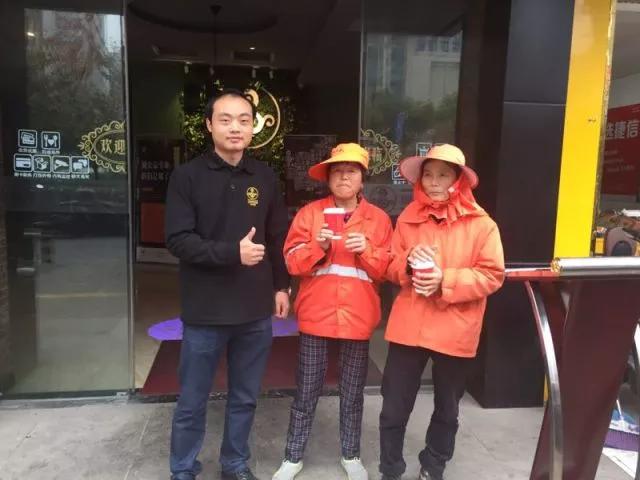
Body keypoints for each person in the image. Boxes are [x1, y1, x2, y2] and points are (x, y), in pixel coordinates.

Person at [165, 89, 291, 480]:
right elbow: (178, 240)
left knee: (245, 397)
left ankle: (234, 464)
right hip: (205, 310)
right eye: (225, 119)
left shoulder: (264, 177)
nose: (235, 127)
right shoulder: (187, 177)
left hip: (254, 310)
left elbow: (277, 237)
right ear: (209, 125)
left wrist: (282, 286)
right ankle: (183, 468)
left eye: (243, 120)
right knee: (192, 400)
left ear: (253, 128)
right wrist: (231, 253)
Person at [378, 144, 505, 480]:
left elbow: (492, 275)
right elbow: (388, 265)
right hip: (410, 325)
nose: (434, 182)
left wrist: (444, 279)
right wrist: (407, 264)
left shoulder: (482, 225)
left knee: (447, 408)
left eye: (443, 175)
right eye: (428, 175)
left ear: (458, 180)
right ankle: (390, 468)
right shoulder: (408, 217)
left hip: (455, 326)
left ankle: (433, 465)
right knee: (393, 406)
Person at [273, 143, 393, 480]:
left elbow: (388, 269)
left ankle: (351, 455)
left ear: (362, 179)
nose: (343, 177)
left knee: (353, 393)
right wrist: (319, 245)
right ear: (328, 178)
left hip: (358, 317)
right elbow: (292, 262)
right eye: (337, 171)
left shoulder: (379, 219)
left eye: (351, 171)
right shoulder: (310, 214)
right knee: (306, 390)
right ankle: (293, 456)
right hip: (316, 314)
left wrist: (366, 250)